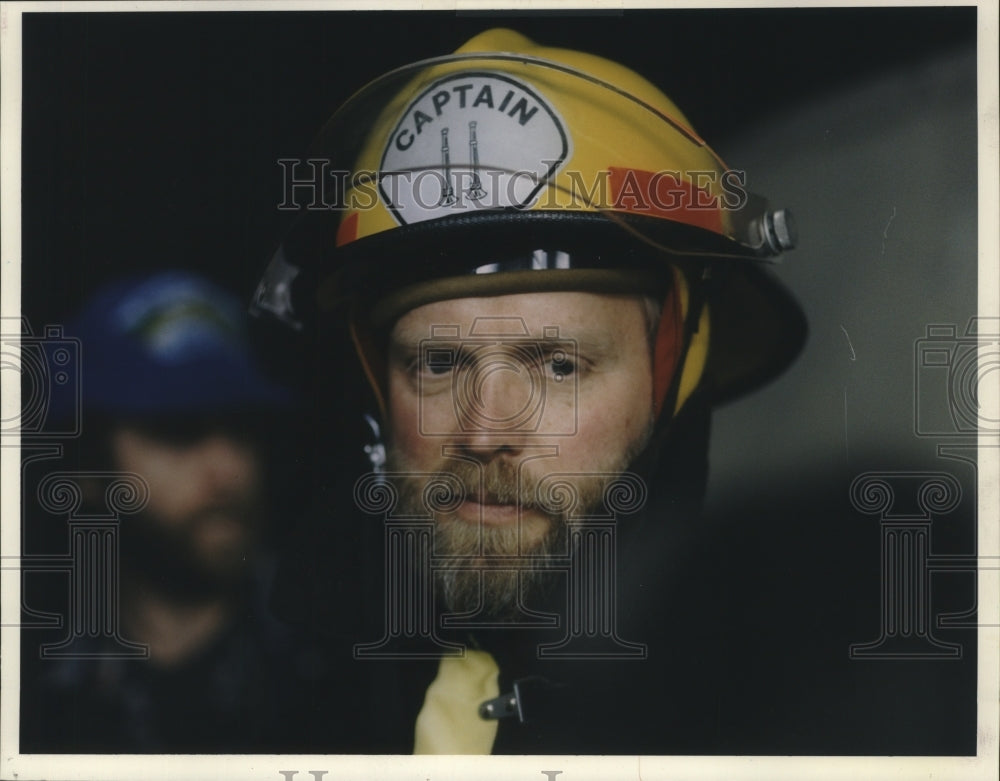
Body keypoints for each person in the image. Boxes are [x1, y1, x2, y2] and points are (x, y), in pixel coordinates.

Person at [257, 28, 806, 754]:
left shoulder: (805, 717)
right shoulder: (299, 707)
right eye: (438, 362)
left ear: (673, 374)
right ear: (375, 391)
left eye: (558, 366)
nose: (485, 431)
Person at [20, 271, 329, 753]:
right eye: (177, 431)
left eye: (244, 428)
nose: (231, 469)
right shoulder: (34, 690)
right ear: (85, 471)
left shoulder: (336, 667)